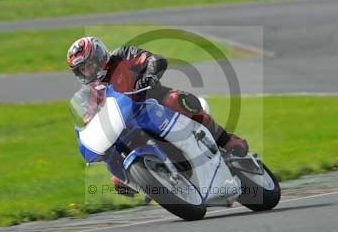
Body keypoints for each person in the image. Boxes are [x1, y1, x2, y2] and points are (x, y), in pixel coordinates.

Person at [67, 36, 249, 196]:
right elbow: (93, 122)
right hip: (128, 127)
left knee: (178, 101)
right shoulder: (89, 94)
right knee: (116, 176)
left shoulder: (122, 56)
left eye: (89, 64)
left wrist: (149, 75)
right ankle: (151, 181)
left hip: (152, 100)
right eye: (82, 69)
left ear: (99, 55)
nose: (87, 71)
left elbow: (154, 60)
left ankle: (226, 140)